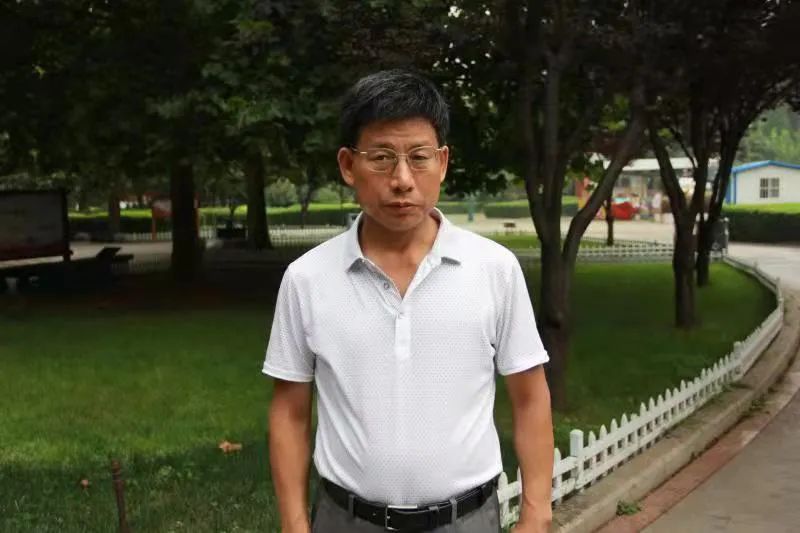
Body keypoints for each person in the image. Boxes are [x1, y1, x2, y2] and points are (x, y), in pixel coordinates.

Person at [264, 69, 553, 533]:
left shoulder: (493, 269)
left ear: (443, 162)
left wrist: (537, 513)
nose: (401, 180)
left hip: (467, 521)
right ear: (348, 165)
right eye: (381, 158)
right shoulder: (307, 279)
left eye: (419, 157)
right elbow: (290, 411)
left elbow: (530, 396)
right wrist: (295, 525)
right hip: (345, 521)